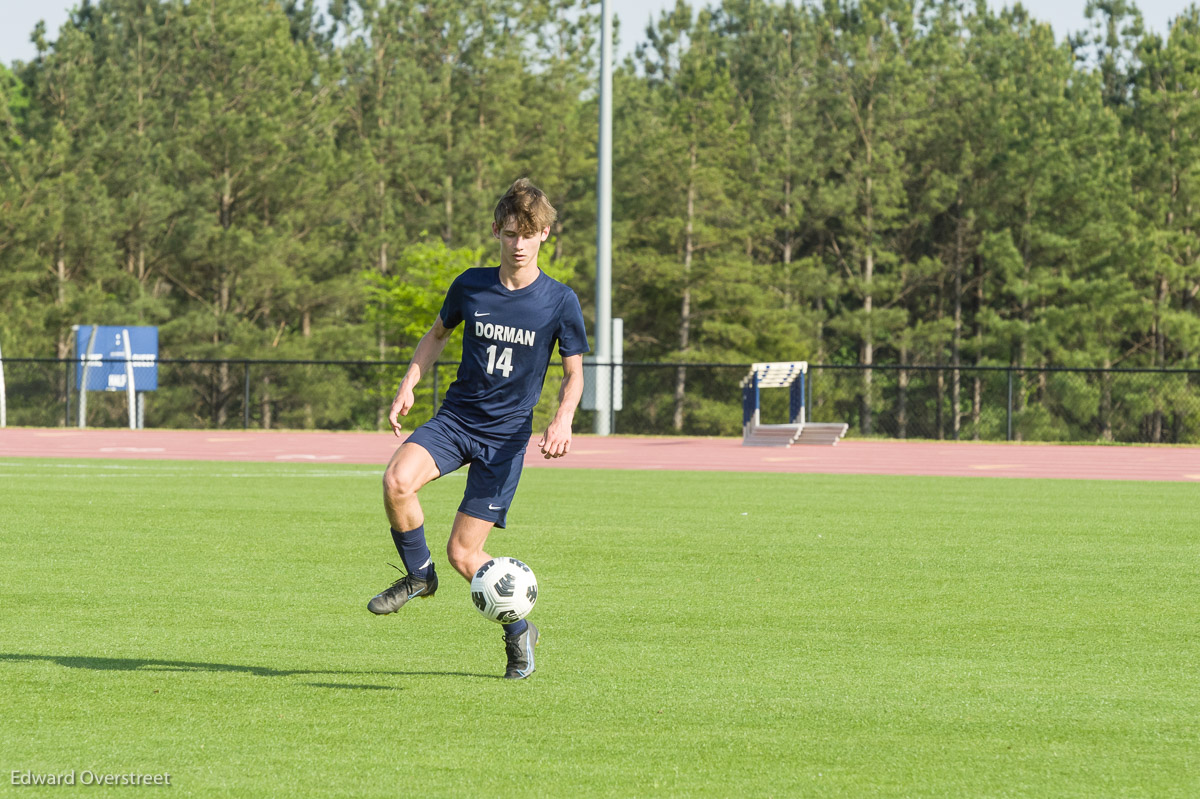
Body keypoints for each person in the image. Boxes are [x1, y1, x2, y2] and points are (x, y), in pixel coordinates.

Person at [367, 178, 588, 680]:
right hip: (456, 420)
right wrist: (409, 384)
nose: (518, 245)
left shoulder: (559, 301)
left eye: (527, 235)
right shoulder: (470, 285)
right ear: (496, 231)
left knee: (465, 555)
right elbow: (436, 334)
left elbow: (574, 372)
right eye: (510, 234)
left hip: (504, 441)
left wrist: (563, 418)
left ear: (545, 235)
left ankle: (519, 633)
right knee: (396, 481)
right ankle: (419, 577)